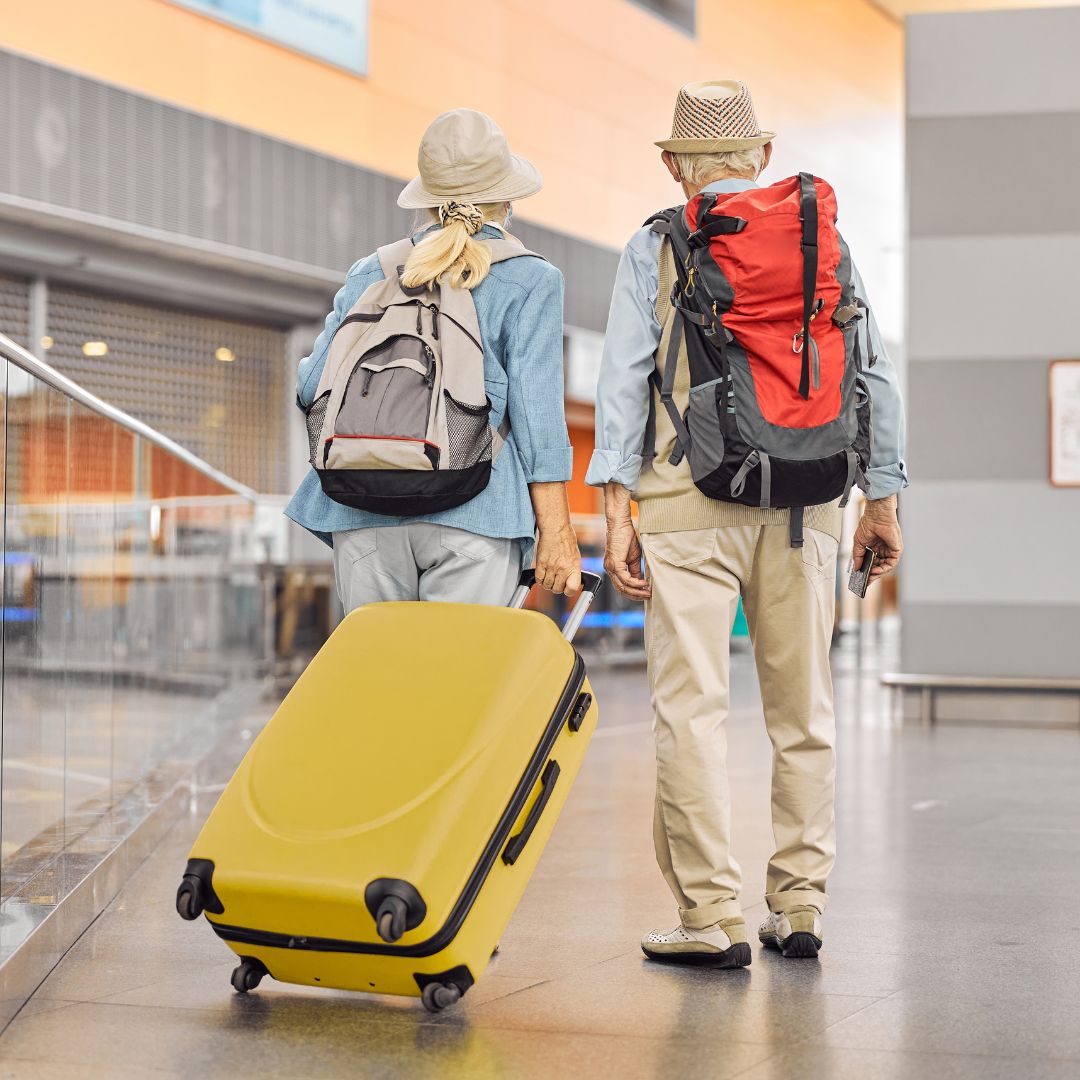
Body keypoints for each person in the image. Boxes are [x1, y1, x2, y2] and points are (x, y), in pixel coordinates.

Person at [587, 81, 908, 967]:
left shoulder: (656, 243)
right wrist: (881, 499)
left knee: (691, 712)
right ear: (762, 156)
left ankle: (711, 916)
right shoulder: (823, 238)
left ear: (673, 164)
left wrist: (615, 507)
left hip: (686, 498)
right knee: (804, 712)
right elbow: (874, 374)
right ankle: (799, 905)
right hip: (809, 500)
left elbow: (622, 380)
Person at [286, 109, 581, 609]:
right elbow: (539, 418)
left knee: (379, 663)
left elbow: (311, 386)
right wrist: (557, 531)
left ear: (426, 198)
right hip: (477, 512)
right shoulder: (531, 279)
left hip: (361, 510)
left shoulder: (372, 272)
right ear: (506, 199)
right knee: (460, 663)